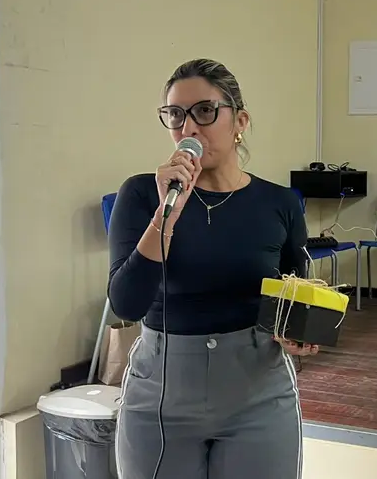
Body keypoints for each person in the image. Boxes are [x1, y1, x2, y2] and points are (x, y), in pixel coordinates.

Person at [107, 58, 317, 479]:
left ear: (240, 121)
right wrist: (166, 215)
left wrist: (300, 332)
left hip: (257, 391)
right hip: (161, 393)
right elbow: (127, 304)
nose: (188, 128)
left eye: (204, 111)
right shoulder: (143, 195)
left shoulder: (279, 203)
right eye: (175, 115)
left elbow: (296, 293)